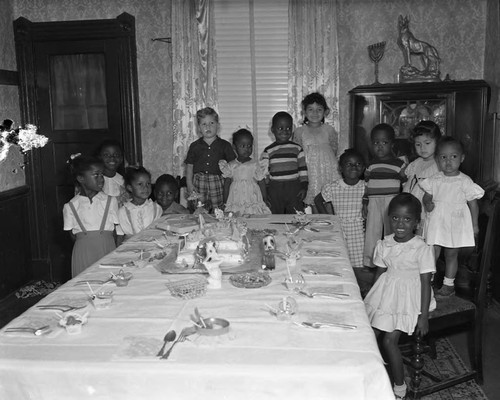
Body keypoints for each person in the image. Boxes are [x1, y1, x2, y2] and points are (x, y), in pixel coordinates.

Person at [364, 193, 436, 400]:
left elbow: (425, 282)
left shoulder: (421, 248)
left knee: (389, 341)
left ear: (416, 222)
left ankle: (399, 387)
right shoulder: (385, 243)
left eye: (407, 219)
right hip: (387, 292)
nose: (400, 224)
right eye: (395, 218)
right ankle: (370, 374)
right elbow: (380, 273)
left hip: (410, 297)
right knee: (368, 334)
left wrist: (423, 316)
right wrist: (371, 299)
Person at [420, 137, 484, 297]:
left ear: (462, 158)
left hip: (455, 223)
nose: (448, 162)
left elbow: (473, 204)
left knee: (451, 254)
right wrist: (427, 202)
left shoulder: (465, 181)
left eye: (453, 157)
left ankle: (448, 284)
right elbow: (427, 196)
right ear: (437, 159)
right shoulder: (435, 179)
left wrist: (475, 225)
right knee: (432, 251)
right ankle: (429, 281)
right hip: (437, 221)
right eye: (443, 157)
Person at [314, 149, 368, 291]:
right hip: (339, 231)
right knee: (340, 262)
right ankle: (343, 289)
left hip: (359, 233)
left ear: (363, 168)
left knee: (358, 266)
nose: (353, 167)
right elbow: (318, 200)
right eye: (348, 164)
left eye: (357, 164)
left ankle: (359, 291)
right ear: (341, 168)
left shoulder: (366, 187)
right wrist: (329, 219)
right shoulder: (333, 187)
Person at [63, 154, 119, 277]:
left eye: (102, 174)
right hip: (83, 253)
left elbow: (114, 231)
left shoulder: (111, 201)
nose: (101, 179)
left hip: (106, 249)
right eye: (96, 175)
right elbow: (72, 235)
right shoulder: (70, 206)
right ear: (81, 178)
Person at [363, 123, 406, 268]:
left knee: (391, 232)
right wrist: (364, 202)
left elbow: (405, 184)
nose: (379, 146)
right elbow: (366, 185)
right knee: (372, 232)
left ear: (392, 144)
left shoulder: (399, 164)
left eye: (384, 142)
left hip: (392, 202)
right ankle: (370, 262)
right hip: (374, 202)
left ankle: (392, 261)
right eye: (376, 143)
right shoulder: (370, 165)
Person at [293, 92, 340, 211]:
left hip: (328, 170)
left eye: (319, 109)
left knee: (329, 199)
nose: (315, 113)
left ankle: (332, 223)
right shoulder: (300, 131)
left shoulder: (329, 130)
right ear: (304, 111)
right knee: (314, 199)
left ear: (326, 112)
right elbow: (297, 153)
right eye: (311, 109)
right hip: (310, 171)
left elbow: (334, 149)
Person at [184, 107, 236, 211]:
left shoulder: (225, 145)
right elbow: (189, 166)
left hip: (217, 182)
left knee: (219, 210)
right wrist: (189, 184)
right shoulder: (194, 146)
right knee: (198, 209)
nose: (208, 126)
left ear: (218, 126)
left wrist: (233, 185)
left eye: (211, 123)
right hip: (199, 182)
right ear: (199, 128)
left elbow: (233, 165)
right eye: (204, 124)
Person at [261, 111, 308, 214]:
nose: (285, 131)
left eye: (288, 128)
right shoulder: (268, 151)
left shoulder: (297, 148)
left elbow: (303, 170)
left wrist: (304, 187)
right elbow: (265, 174)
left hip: (294, 189)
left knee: (296, 217)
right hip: (275, 190)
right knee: (275, 217)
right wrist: (266, 191)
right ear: (273, 130)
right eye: (280, 128)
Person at [402, 121, 441, 237]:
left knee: (426, 238)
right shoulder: (415, 164)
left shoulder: (439, 164)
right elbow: (408, 184)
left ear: (437, 142)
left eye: (427, 143)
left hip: (427, 209)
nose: (423, 148)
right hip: (411, 207)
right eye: (418, 144)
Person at [219, 129, 271, 215]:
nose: (247, 149)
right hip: (236, 197)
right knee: (237, 216)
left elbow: (261, 182)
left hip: (252, 197)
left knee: (253, 214)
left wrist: (264, 199)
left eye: (249, 146)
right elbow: (227, 184)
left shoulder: (255, 164)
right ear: (234, 147)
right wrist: (225, 201)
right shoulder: (231, 165)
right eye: (242, 146)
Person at [117, 166, 163, 242]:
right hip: (131, 248)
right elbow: (120, 235)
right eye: (140, 184)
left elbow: (159, 231)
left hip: (152, 246)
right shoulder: (123, 211)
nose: (145, 188)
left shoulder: (156, 208)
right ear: (130, 188)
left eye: (148, 184)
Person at [95, 139, 128, 206]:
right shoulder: (93, 181)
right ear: (99, 158)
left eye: (116, 155)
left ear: (121, 159)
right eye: (106, 155)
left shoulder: (124, 182)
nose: (112, 158)